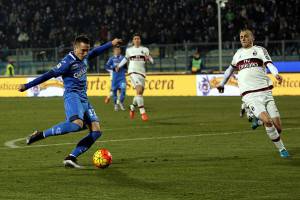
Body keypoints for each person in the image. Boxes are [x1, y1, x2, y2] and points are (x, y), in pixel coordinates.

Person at [18, 35, 122, 168]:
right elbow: (48, 75)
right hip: (72, 96)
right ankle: (40, 135)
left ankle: (71, 157)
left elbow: (95, 52)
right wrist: (27, 86)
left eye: (87, 50)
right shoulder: (67, 62)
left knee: (96, 131)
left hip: (84, 98)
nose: (85, 54)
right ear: (75, 48)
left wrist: (111, 43)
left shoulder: (85, 57)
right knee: (76, 124)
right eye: (83, 50)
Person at [217, 29, 289, 158]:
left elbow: (270, 64)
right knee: (268, 121)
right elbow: (229, 69)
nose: (243, 38)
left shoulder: (260, 50)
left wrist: (276, 74)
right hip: (250, 95)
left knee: (278, 129)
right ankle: (282, 149)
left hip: (266, 92)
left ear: (252, 38)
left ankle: (258, 119)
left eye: (245, 36)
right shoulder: (238, 54)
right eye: (241, 37)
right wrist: (222, 83)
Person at [116, 33, 154, 121]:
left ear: (140, 40)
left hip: (142, 73)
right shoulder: (129, 50)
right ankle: (142, 112)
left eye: (138, 38)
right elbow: (125, 59)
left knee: (139, 94)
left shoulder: (145, 49)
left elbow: (151, 59)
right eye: (135, 39)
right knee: (139, 90)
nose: (137, 40)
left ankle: (132, 107)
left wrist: (150, 60)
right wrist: (119, 66)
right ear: (133, 41)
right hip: (132, 72)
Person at [104, 46, 126, 111]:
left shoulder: (123, 58)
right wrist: (113, 68)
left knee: (123, 90)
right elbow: (106, 66)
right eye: (116, 50)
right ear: (114, 51)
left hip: (122, 78)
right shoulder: (111, 58)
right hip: (115, 78)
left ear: (120, 51)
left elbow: (126, 67)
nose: (117, 51)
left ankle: (121, 102)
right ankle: (116, 104)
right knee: (114, 92)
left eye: (118, 50)